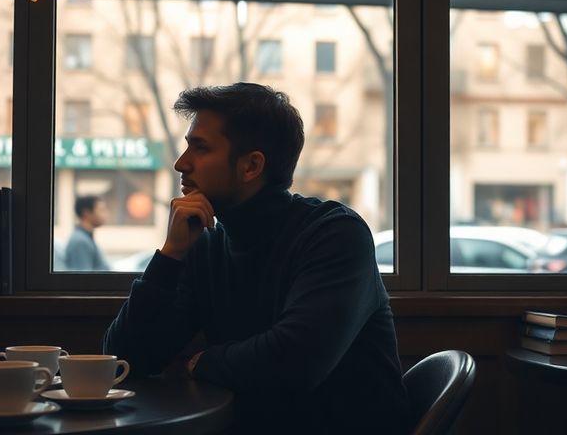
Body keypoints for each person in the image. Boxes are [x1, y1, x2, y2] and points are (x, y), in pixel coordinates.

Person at [103, 83, 408, 434]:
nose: (180, 163)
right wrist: (170, 256)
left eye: (200, 148)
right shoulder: (204, 245)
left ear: (251, 166)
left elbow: (296, 361)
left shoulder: (335, 234)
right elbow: (123, 362)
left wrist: (200, 363)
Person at [66, 195, 110, 271]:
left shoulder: (85, 238)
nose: (106, 215)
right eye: (101, 210)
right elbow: (83, 279)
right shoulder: (80, 241)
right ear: (86, 213)